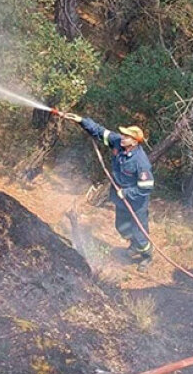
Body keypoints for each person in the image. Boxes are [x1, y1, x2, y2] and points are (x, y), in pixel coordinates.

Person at [62, 112, 155, 270]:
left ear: (134, 141)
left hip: (136, 202)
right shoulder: (118, 143)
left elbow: (146, 187)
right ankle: (134, 246)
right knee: (121, 226)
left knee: (139, 233)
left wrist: (126, 193)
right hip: (120, 198)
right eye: (123, 134)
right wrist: (81, 121)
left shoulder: (141, 162)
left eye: (126, 136)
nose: (122, 137)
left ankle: (146, 255)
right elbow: (100, 131)